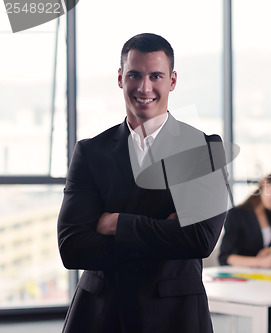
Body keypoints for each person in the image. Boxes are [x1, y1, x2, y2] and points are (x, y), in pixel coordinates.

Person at [57, 33, 229, 333]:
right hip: (101, 314)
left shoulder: (202, 149)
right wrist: (167, 231)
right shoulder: (90, 151)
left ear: (172, 81)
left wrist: (118, 224)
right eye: (135, 75)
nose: (144, 87)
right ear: (121, 78)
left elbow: (200, 239)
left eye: (156, 76)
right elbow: (72, 248)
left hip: (175, 316)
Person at [218, 172, 271, 333]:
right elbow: (225, 257)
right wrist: (261, 262)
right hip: (242, 284)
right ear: (264, 184)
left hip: (263, 281)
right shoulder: (237, 214)